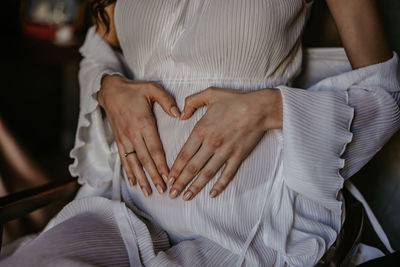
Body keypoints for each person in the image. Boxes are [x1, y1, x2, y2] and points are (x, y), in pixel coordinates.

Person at [1, 0, 400, 266]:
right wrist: (108, 88)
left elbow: (386, 93)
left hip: (250, 227)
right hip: (123, 211)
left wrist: (267, 108)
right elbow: (96, 52)